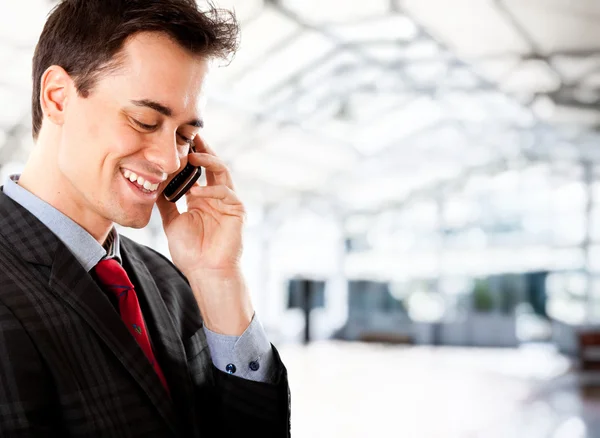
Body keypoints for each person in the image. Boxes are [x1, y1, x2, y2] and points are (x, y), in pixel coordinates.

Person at [0, 0, 290, 436]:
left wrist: (218, 280)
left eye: (185, 135)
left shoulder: (171, 283)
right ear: (57, 96)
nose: (170, 159)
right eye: (144, 121)